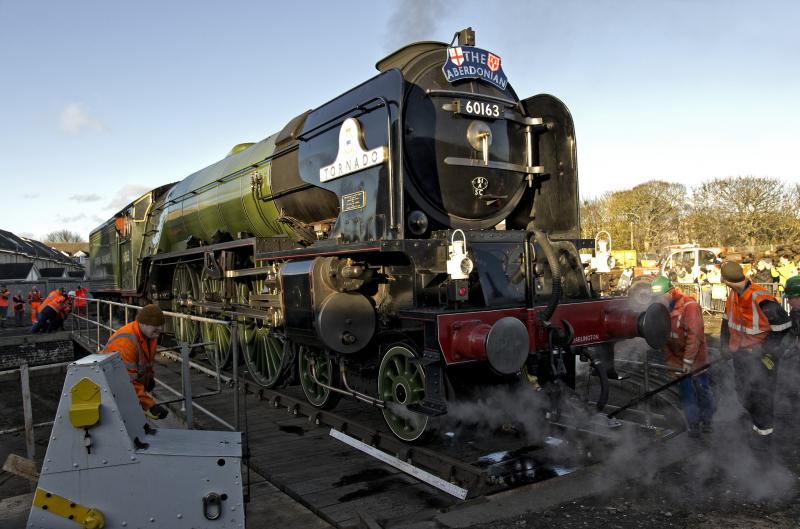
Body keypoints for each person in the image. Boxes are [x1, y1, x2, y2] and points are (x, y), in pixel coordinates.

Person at [720, 262, 791, 445]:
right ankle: (757, 427)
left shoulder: (761, 298)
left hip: (760, 359)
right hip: (741, 356)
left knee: (762, 397)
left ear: (725, 281)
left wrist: (764, 349)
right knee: (744, 394)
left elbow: (783, 327)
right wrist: (725, 346)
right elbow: (726, 322)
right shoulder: (733, 296)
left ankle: (764, 439)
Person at [651, 276, 714, 437]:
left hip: (696, 358)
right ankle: (693, 423)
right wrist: (672, 364)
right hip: (678, 359)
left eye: (659, 296)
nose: (658, 300)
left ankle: (707, 421)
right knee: (686, 392)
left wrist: (688, 361)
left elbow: (695, 336)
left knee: (702, 390)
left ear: (670, 292)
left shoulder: (689, 306)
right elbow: (664, 338)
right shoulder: (662, 310)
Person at [101, 304, 169, 420]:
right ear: (143, 323)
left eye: (161, 326)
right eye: (156, 326)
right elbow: (128, 381)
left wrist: (149, 378)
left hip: (126, 391)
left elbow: (146, 362)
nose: (160, 330)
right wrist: (150, 406)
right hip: (113, 391)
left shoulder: (150, 336)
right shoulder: (125, 343)